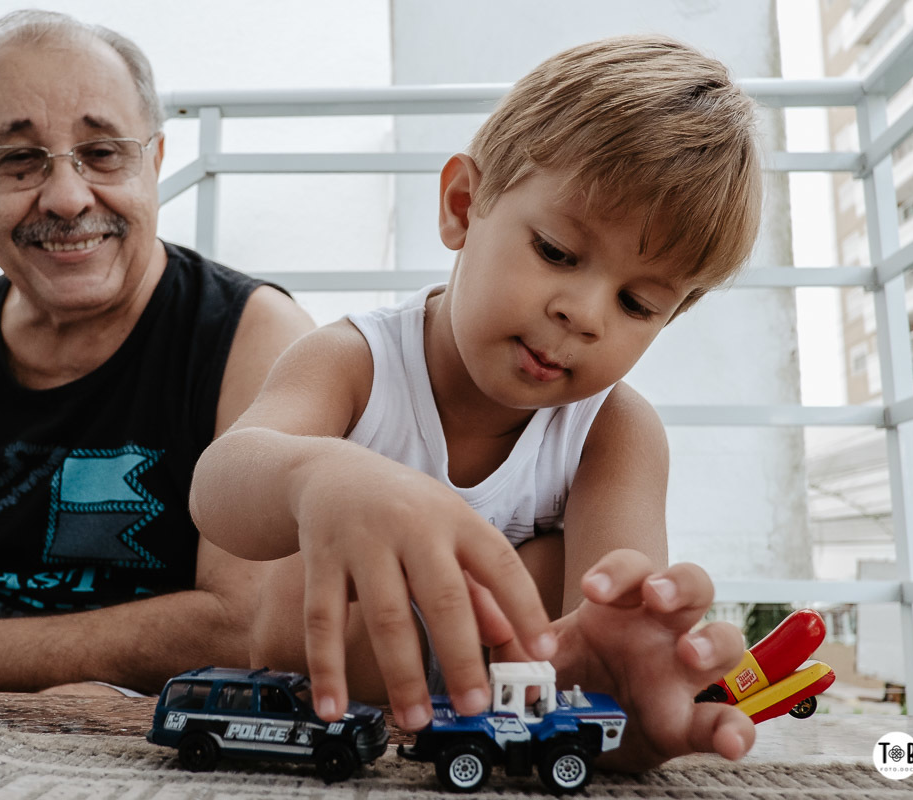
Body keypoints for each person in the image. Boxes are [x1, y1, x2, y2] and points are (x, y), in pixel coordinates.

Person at [190, 35, 763, 769]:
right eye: (557, 251)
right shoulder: (355, 362)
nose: (584, 313)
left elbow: (605, 636)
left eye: (637, 303)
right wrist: (321, 477)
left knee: (594, 586)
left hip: (513, 713)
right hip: (328, 705)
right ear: (464, 205)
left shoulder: (614, 431)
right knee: (330, 515)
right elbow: (219, 488)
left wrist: (633, 694)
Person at [0, 10, 314, 695]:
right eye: (19, 160)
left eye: (103, 154)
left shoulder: (255, 336)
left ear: (155, 162)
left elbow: (247, 627)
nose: (69, 198)